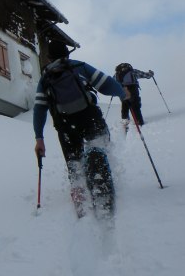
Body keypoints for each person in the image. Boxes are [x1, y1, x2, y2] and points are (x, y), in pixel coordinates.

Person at [33, 40, 126, 219]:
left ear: (49, 57)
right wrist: (123, 93)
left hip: (65, 125)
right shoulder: (79, 67)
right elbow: (106, 83)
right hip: (89, 117)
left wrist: (39, 138)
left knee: (74, 162)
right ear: (67, 54)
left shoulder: (45, 78)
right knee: (98, 145)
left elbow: (39, 109)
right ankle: (100, 181)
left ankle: (79, 197)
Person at [114, 63, 154, 131]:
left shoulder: (116, 74)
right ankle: (139, 122)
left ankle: (125, 121)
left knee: (125, 105)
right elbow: (146, 75)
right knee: (135, 106)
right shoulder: (133, 71)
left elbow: (113, 82)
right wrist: (151, 73)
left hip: (122, 91)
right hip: (133, 90)